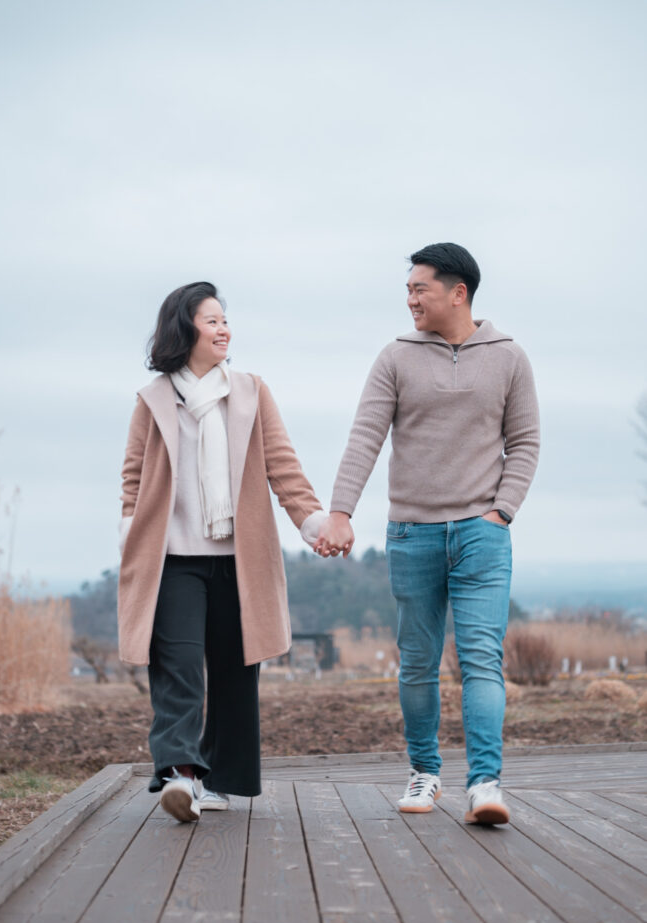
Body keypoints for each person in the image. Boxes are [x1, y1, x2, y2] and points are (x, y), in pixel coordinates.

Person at [315, 243, 540, 825]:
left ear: (458, 292)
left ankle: (485, 784)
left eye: (420, 289)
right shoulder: (395, 357)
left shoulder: (509, 357)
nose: (411, 299)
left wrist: (502, 512)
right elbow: (365, 436)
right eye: (408, 290)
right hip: (411, 534)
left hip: (481, 535)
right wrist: (340, 512)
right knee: (416, 664)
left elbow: (526, 444)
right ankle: (425, 773)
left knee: (481, 660)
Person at [118, 281, 326, 822]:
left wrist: (311, 520)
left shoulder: (251, 391)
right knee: (179, 664)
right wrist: (129, 534)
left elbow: (282, 464)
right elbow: (134, 477)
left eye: (224, 319)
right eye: (211, 321)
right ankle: (181, 774)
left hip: (240, 557)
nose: (223, 328)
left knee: (236, 670)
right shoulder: (154, 399)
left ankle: (223, 778)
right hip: (175, 559)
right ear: (184, 329)